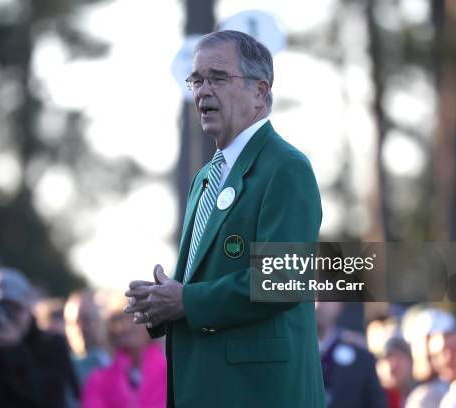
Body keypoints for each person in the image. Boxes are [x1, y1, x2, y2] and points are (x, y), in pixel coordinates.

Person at [125, 30, 325, 407]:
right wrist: (160, 302)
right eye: (197, 79)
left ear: (259, 91)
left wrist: (186, 300)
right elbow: (201, 281)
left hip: (260, 393)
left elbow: (282, 279)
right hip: (206, 388)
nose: (202, 91)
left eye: (218, 77)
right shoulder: (206, 177)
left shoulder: (286, 167)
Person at [0, 267, 78, 408]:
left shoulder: (52, 346)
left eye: (14, 308)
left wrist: (15, 351)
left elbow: (50, 397)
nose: (6, 318)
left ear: (29, 308)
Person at [81, 293, 166, 408]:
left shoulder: (172, 374)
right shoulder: (98, 381)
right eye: (118, 319)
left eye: (135, 317)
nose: (126, 326)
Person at [316, 301, 387, 408]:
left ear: (339, 304)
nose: (318, 305)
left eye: (324, 297)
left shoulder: (361, 357)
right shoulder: (290, 354)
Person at [64, 291, 111, 385]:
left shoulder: (120, 363)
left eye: (86, 320)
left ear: (100, 321)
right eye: (72, 323)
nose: (80, 328)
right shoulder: (60, 370)